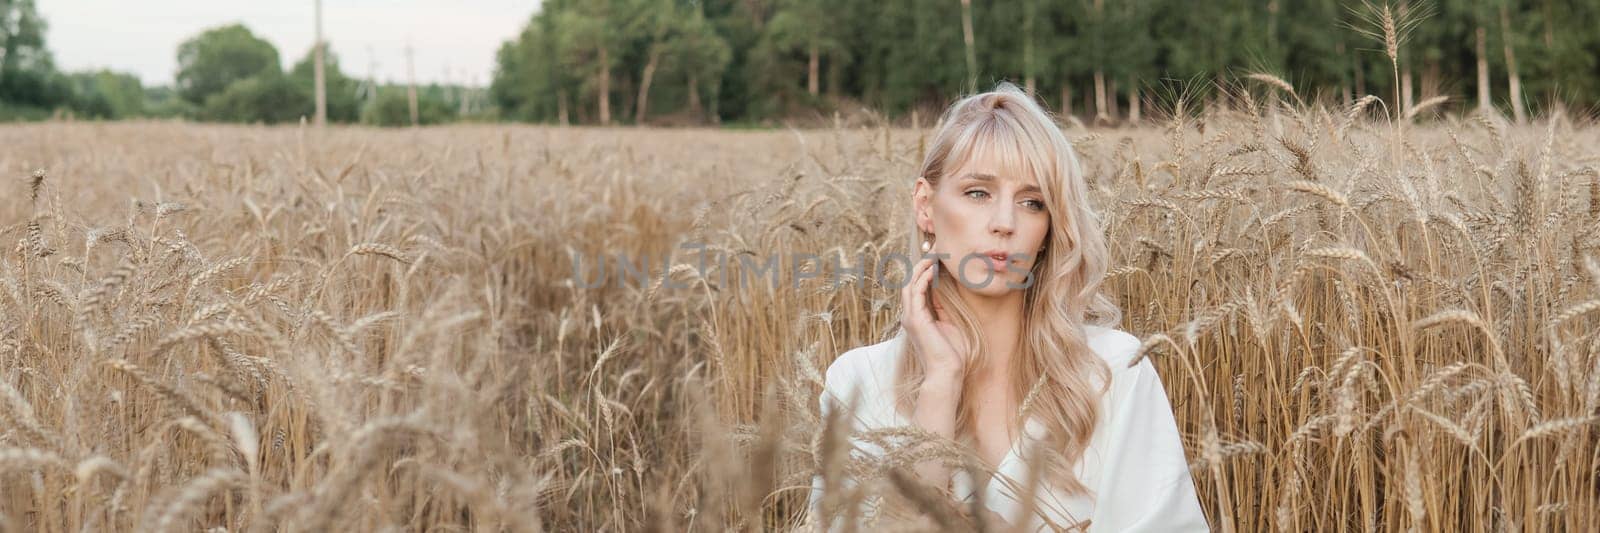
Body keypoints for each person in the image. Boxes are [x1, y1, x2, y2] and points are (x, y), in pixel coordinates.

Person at [804, 81, 1209, 532]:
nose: (1005, 223)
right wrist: (940, 384)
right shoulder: (859, 383)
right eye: (978, 193)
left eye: (1032, 202)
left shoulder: (1112, 371)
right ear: (925, 206)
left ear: (1051, 226)